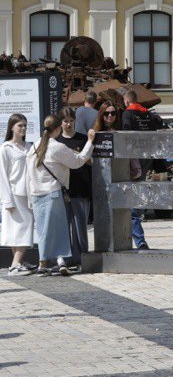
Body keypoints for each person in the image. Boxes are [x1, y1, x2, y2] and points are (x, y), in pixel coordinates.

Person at [27, 115, 95, 276]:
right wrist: (90, 141)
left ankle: (50, 262)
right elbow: (78, 161)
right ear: (58, 129)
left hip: (36, 193)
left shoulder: (34, 146)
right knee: (59, 230)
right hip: (52, 193)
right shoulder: (56, 147)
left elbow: (28, 174)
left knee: (44, 231)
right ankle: (47, 263)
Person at [56, 108, 91, 272]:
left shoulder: (83, 139)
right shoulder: (57, 141)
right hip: (63, 189)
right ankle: (66, 257)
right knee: (63, 226)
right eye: (65, 121)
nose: (68, 124)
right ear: (60, 122)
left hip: (81, 187)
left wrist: (80, 157)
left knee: (80, 226)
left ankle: (82, 257)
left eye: (71, 120)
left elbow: (90, 161)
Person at [1, 114, 35, 275]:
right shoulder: (6, 148)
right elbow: (2, 175)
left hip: (28, 193)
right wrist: (7, 200)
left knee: (21, 230)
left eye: (25, 125)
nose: (23, 128)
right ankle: (15, 265)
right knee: (22, 229)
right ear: (12, 127)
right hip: (14, 194)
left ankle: (18, 262)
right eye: (20, 125)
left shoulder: (29, 146)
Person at [117, 93, 152, 249]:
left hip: (132, 161)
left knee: (131, 202)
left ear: (126, 101)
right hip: (146, 159)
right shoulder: (147, 113)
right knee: (136, 198)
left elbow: (126, 136)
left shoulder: (127, 114)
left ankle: (138, 239)